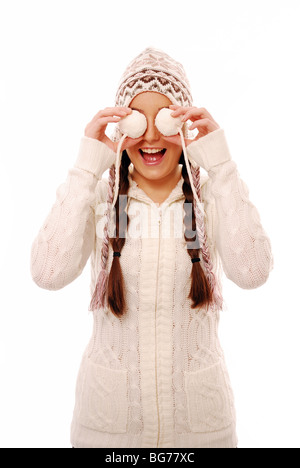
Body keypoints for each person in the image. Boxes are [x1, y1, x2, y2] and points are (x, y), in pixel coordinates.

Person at [30, 47, 273, 449]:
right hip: (108, 431)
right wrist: (86, 167)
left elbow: (253, 272)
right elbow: (46, 273)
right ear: (121, 126)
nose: (152, 136)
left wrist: (222, 165)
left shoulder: (213, 196)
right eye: (137, 120)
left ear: (185, 124)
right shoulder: (98, 197)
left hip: (202, 430)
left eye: (164, 118)